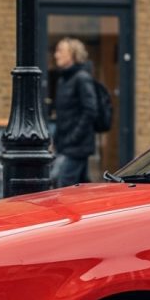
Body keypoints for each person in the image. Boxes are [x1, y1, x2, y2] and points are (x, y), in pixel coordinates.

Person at [51, 37, 99, 188]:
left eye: (60, 51)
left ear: (72, 54)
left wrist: (73, 137)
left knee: (62, 186)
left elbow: (90, 111)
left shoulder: (82, 78)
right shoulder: (63, 80)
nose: (56, 55)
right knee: (80, 187)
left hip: (76, 147)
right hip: (66, 145)